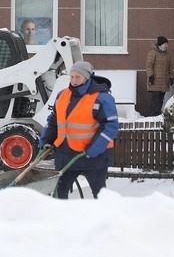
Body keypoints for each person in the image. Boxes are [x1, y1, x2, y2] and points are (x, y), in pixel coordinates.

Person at [39, 61, 119, 199]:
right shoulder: (62, 95)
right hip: (66, 156)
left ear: (87, 78)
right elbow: (54, 120)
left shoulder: (101, 98)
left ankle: (104, 218)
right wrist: (46, 140)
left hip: (92, 157)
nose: (74, 80)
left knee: (100, 195)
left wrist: (93, 149)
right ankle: (60, 219)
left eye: (78, 77)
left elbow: (110, 126)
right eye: (72, 76)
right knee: (59, 193)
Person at [145, 36, 174, 117]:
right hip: (155, 81)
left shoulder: (168, 55)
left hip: (164, 83)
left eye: (167, 44)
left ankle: (157, 115)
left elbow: (170, 68)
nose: (166, 46)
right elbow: (149, 66)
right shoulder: (152, 53)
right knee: (155, 100)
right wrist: (151, 76)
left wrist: (171, 77)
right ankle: (153, 116)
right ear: (160, 44)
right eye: (165, 44)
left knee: (160, 100)